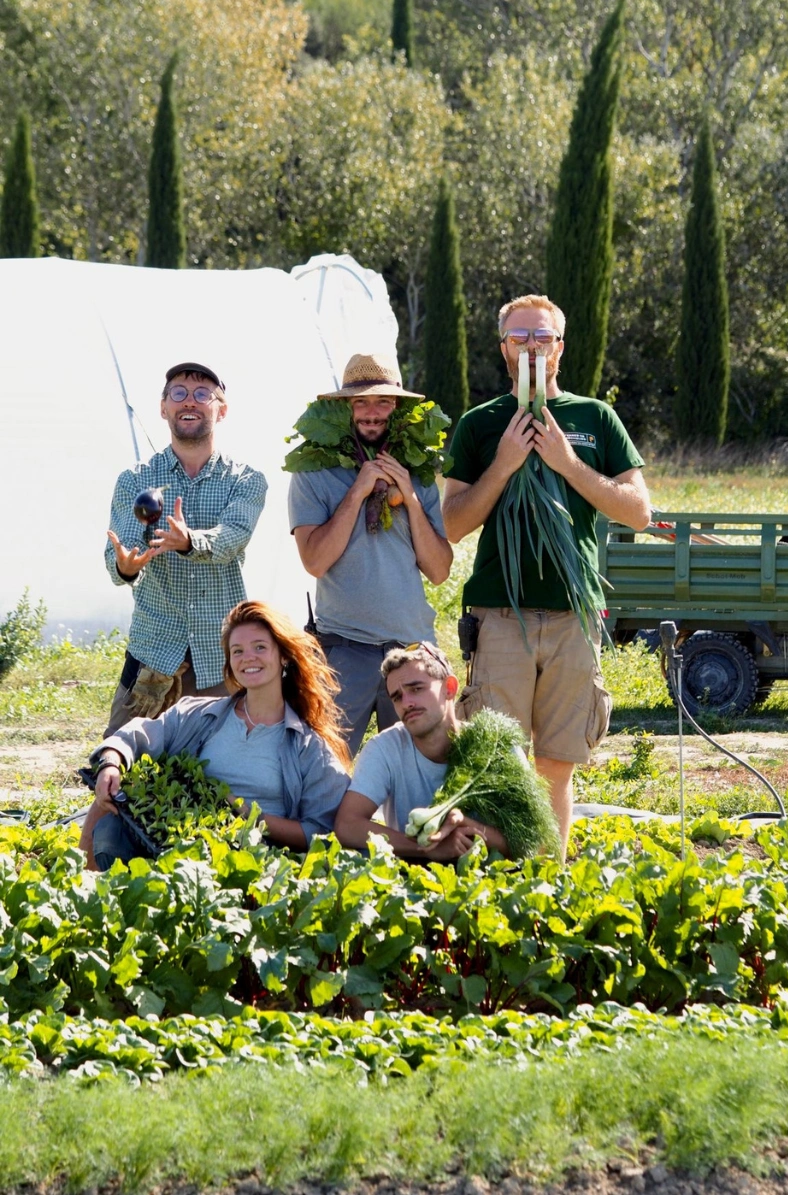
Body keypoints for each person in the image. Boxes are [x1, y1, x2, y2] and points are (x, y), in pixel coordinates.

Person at [441, 294, 651, 858]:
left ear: (559, 348)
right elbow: (453, 523)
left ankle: (548, 881)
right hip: (499, 614)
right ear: (504, 348)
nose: (533, 347)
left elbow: (638, 510)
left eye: (543, 337)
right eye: (520, 338)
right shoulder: (479, 424)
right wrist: (504, 465)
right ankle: (500, 882)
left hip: (572, 616)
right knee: (499, 761)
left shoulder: (594, 418)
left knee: (557, 763)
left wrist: (566, 462)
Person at [79, 600, 351, 870]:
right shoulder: (199, 714)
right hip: (179, 841)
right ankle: (90, 896)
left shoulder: (308, 746)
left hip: (252, 860)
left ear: (284, 657)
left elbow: (318, 832)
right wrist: (111, 761)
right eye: (237, 651)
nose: (248, 658)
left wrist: (247, 813)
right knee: (109, 814)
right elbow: (137, 735)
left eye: (260, 647)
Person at [288, 352, 453, 755]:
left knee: (419, 766)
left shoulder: (417, 472)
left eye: (383, 401)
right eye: (361, 402)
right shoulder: (313, 472)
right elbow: (315, 561)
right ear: (345, 407)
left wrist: (411, 499)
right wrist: (359, 491)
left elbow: (439, 570)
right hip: (344, 647)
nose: (372, 412)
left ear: (397, 408)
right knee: (328, 764)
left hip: (412, 648)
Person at [104, 362, 268, 736]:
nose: (188, 402)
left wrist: (189, 541)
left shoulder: (245, 480)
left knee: (218, 773)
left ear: (221, 409)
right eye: (178, 393)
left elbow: (232, 537)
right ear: (164, 408)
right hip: (154, 650)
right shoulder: (136, 480)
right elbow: (121, 553)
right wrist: (128, 567)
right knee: (120, 768)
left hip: (219, 652)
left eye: (201, 394)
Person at [334, 642, 510, 860]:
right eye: (397, 697)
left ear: (450, 688)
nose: (406, 703)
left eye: (416, 689)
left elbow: (526, 842)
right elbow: (347, 825)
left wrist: (465, 824)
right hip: (409, 880)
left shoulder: (496, 747)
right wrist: (426, 847)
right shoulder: (385, 749)